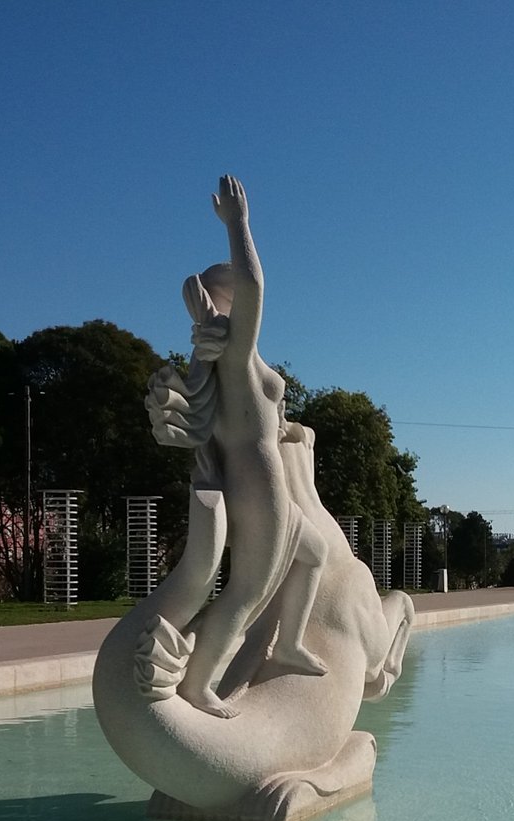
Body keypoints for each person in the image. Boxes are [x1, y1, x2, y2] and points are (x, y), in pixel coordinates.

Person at [170, 176, 330, 718]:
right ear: (228, 305)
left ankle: (287, 645)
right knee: (247, 593)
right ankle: (197, 686)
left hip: (265, 476)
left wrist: (288, 429)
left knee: (314, 553)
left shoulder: (238, 365)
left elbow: (261, 419)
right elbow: (256, 284)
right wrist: (239, 224)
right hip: (257, 486)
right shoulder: (234, 357)